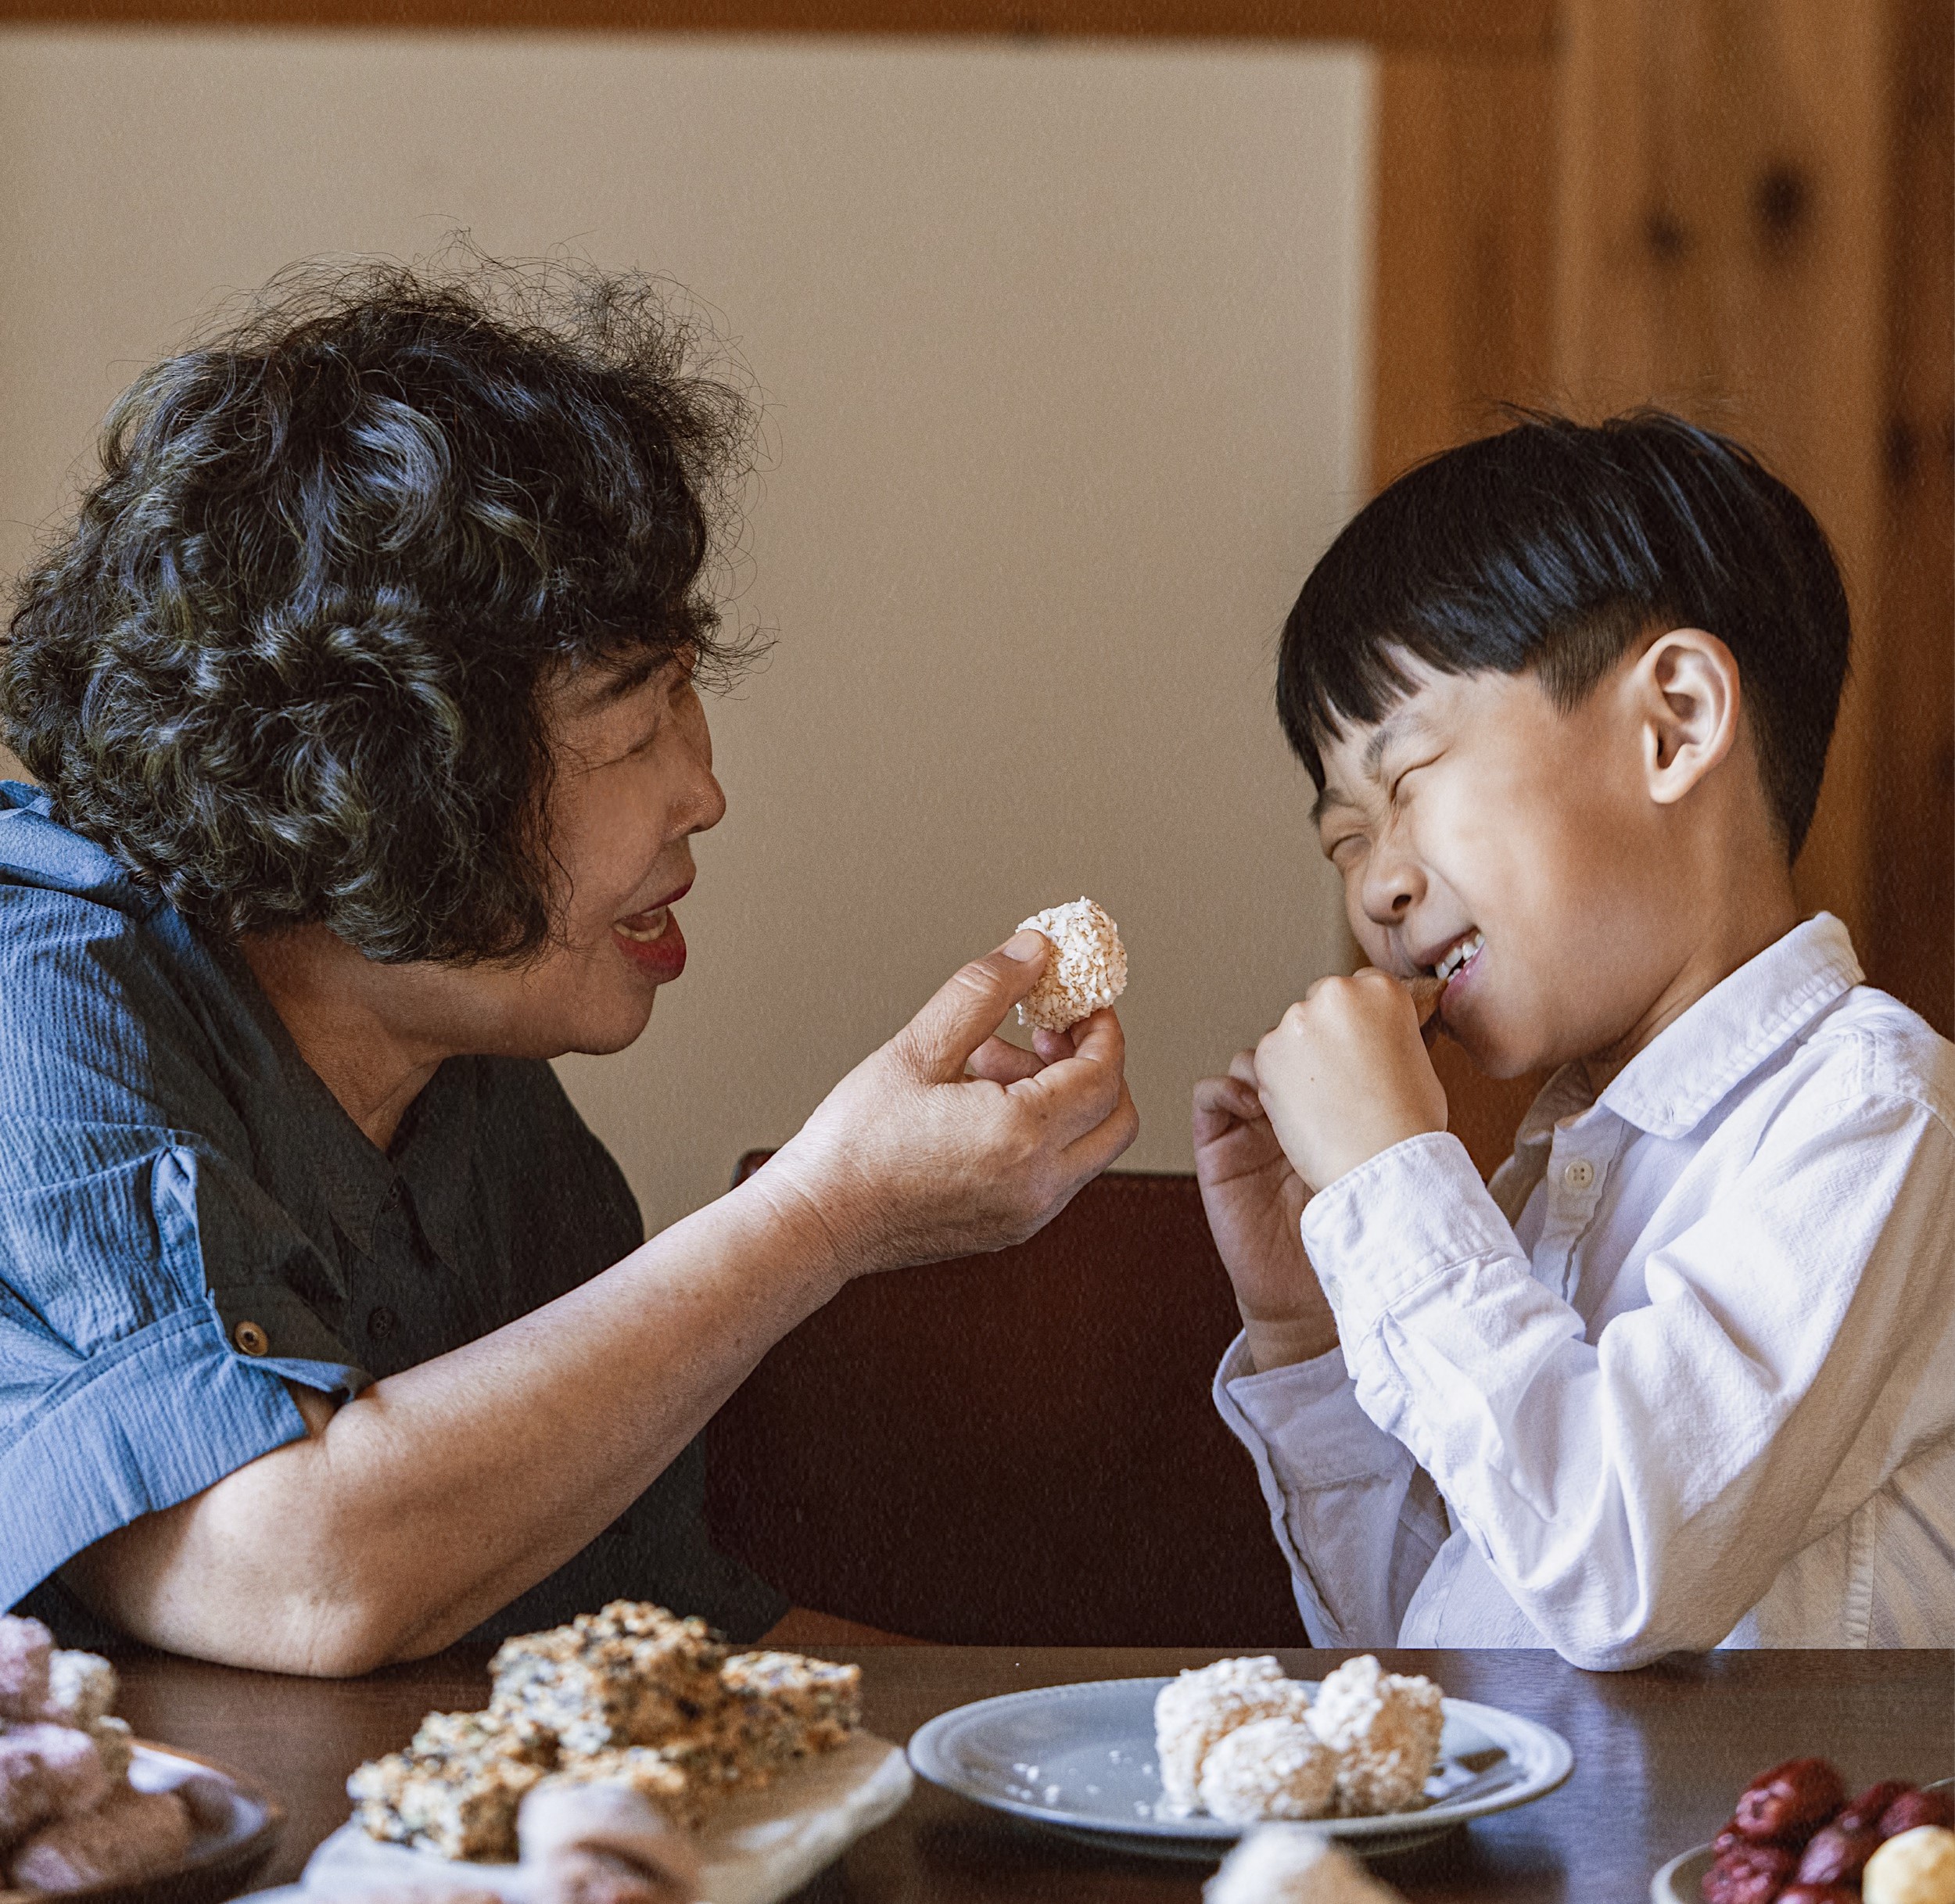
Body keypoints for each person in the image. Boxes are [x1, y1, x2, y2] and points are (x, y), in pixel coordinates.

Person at [0, 260, 1137, 1675]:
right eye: (630, 714)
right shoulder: (43, 1002)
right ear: (376, 762)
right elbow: (302, 1574)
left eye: (687, 694)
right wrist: (825, 1216)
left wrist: (1117, 1737)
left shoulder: (486, 1107)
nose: (704, 790)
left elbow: (656, 1650)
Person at [1193, 411, 1955, 1667]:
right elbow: (1427, 1658)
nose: (1376, 889)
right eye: (1343, 841)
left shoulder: (1873, 1111)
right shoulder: (1555, 1176)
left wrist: (1391, 1188)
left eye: (1408, 786)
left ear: (1674, 724)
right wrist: (1310, 1332)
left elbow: (1613, 1575)